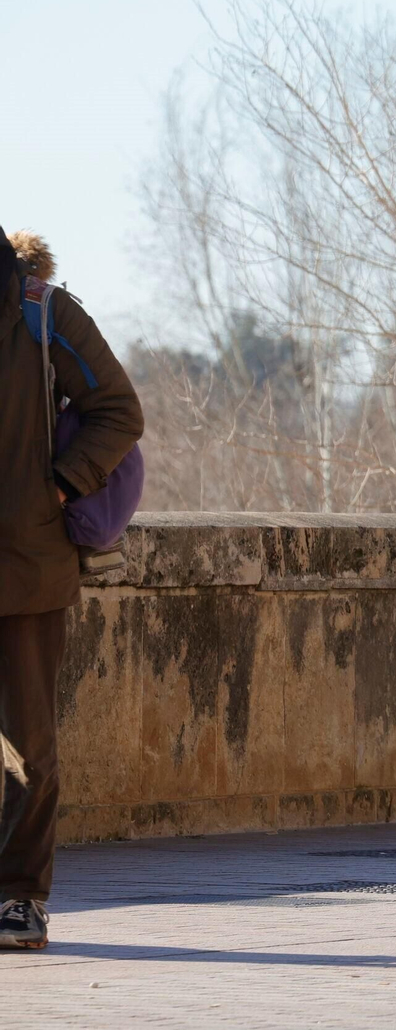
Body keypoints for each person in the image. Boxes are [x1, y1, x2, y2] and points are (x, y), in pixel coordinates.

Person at [0, 228, 143, 950]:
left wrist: (59, 485)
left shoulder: (42, 311)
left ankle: (19, 899)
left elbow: (119, 410)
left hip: (22, 565)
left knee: (26, 747)